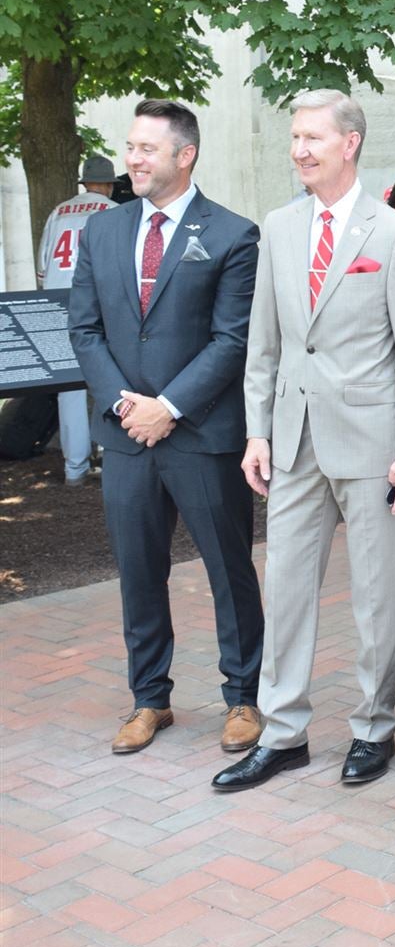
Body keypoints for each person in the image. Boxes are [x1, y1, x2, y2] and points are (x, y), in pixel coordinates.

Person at [213, 89, 395, 792]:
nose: (300, 150)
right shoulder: (279, 229)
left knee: (376, 594)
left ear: (351, 144)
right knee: (284, 589)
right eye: (294, 138)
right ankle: (283, 735)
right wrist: (257, 431)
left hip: (374, 443)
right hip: (292, 442)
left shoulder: (394, 234)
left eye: (313, 137)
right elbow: (264, 347)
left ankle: (374, 726)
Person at [68, 100, 265, 756]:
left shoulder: (234, 235)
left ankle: (243, 697)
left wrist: (169, 407)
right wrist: (128, 407)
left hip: (203, 436)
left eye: (148, 148)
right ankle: (149, 698)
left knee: (229, 570)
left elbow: (231, 339)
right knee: (138, 572)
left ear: (186, 155)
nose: (134, 159)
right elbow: (85, 329)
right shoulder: (101, 232)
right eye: (131, 147)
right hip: (127, 438)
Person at [38, 155, 117, 487]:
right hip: (100, 306)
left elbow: (43, 271)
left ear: (85, 184)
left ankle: (75, 469)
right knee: (111, 380)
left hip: (59, 306)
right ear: (110, 186)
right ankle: (111, 460)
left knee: (69, 390)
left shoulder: (59, 212)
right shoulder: (114, 212)